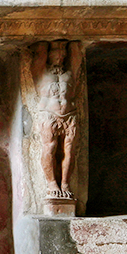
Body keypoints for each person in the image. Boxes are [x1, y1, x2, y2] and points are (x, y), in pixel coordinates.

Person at [29, 41, 82, 200]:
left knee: (70, 150)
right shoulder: (41, 72)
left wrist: (71, 45)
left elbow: (76, 56)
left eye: (63, 54)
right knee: (49, 148)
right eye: (56, 53)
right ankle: (52, 183)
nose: (60, 57)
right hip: (49, 115)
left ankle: (65, 183)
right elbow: (40, 53)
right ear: (49, 55)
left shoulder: (69, 74)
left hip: (70, 115)